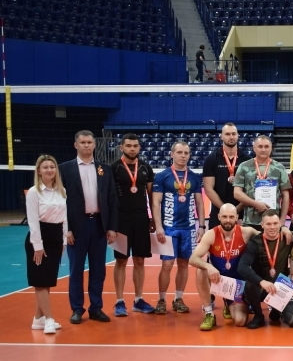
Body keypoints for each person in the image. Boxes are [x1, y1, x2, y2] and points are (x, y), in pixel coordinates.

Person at [59, 130, 118, 324]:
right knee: (76, 270)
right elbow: (60, 202)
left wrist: (111, 227)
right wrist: (66, 228)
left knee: (98, 270)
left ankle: (96, 308)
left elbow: (111, 198)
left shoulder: (104, 168)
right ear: (75, 145)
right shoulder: (64, 169)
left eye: (89, 142)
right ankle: (77, 309)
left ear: (94, 145)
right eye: (82, 142)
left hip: (99, 224)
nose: (86, 145)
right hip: (77, 227)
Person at [189, 204, 267, 331]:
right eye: (224, 217)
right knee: (201, 271)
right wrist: (208, 266)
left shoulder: (246, 232)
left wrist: (284, 230)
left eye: (231, 217)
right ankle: (209, 314)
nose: (228, 220)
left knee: (240, 321)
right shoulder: (211, 234)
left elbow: (269, 235)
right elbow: (193, 259)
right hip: (219, 279)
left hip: (238, 284)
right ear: (219, 217)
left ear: (237, 217)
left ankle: (228, 300)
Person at [152, 141, 205, 314]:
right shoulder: (162, 176)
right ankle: (161, 300)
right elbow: (156, 203)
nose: (183, 156)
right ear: (172, 154)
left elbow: (199, 203)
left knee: (184, 265)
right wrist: (159, 227)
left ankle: (178, 299)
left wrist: (201, 226)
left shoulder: (194, 177)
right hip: (169, 228)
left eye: (186, 153)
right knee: (167, 265)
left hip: (188, 228)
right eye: (179, 152)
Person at [110, 133, 156, 316]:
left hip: (141, 220)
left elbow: (151, 196)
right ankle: (119, 301)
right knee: (121, 261)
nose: (132, 149)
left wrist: (153, 219)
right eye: (128, 146)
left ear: (139, 147)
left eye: (135, 146)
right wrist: (111, 224)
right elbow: (109, 197)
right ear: (121, 147)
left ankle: (138, 300)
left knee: (139, 260)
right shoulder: (114, 168)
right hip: (121, 221)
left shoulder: (145, 167)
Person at [237, 210, 293, 329]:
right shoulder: (255, 243)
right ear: (262, 225)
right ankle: (258, 316)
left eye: (275, 223)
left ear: (280, 223)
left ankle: (276, 310)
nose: (272, 227)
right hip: (262, 288)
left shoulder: (288, 237)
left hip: (282, 288)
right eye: (268, 224)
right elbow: (242, 267)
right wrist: (261, 281)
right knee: (249, 284)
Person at [26, 155, 67, 334]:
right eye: (45, 167)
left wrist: (63, 240)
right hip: (40, 237)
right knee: (40, 282)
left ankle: (38, 319)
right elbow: (33, 221)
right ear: (39, 171)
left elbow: (64, 217)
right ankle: (49, 318)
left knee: (47, 280)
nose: (50, 170)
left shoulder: (61, 190)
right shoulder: (34, 192)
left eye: (52, 167)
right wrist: (37, 245)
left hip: (55, 237)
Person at [233, 135, 291, 230]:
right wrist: (256, 204)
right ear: (254, 148)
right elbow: (237, 193)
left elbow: (285, 195)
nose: (263, 150)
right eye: (260, 146)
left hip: (273, 221)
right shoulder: (244, 167)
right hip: (250, 221)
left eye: (266, 146)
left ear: (271, 148)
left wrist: (282, 220)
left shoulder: (280, 168)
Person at [202, 123, 251, 229]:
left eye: (233, 134)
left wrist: (236, 210)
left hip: (242, 214)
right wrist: (225, 211)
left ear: (238, 135)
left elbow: (250, 190)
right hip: (218, 213)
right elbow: (208, 189)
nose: (231, 137)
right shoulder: (211, 159)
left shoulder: (247, 160)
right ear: (221, 136)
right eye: (227, 134)